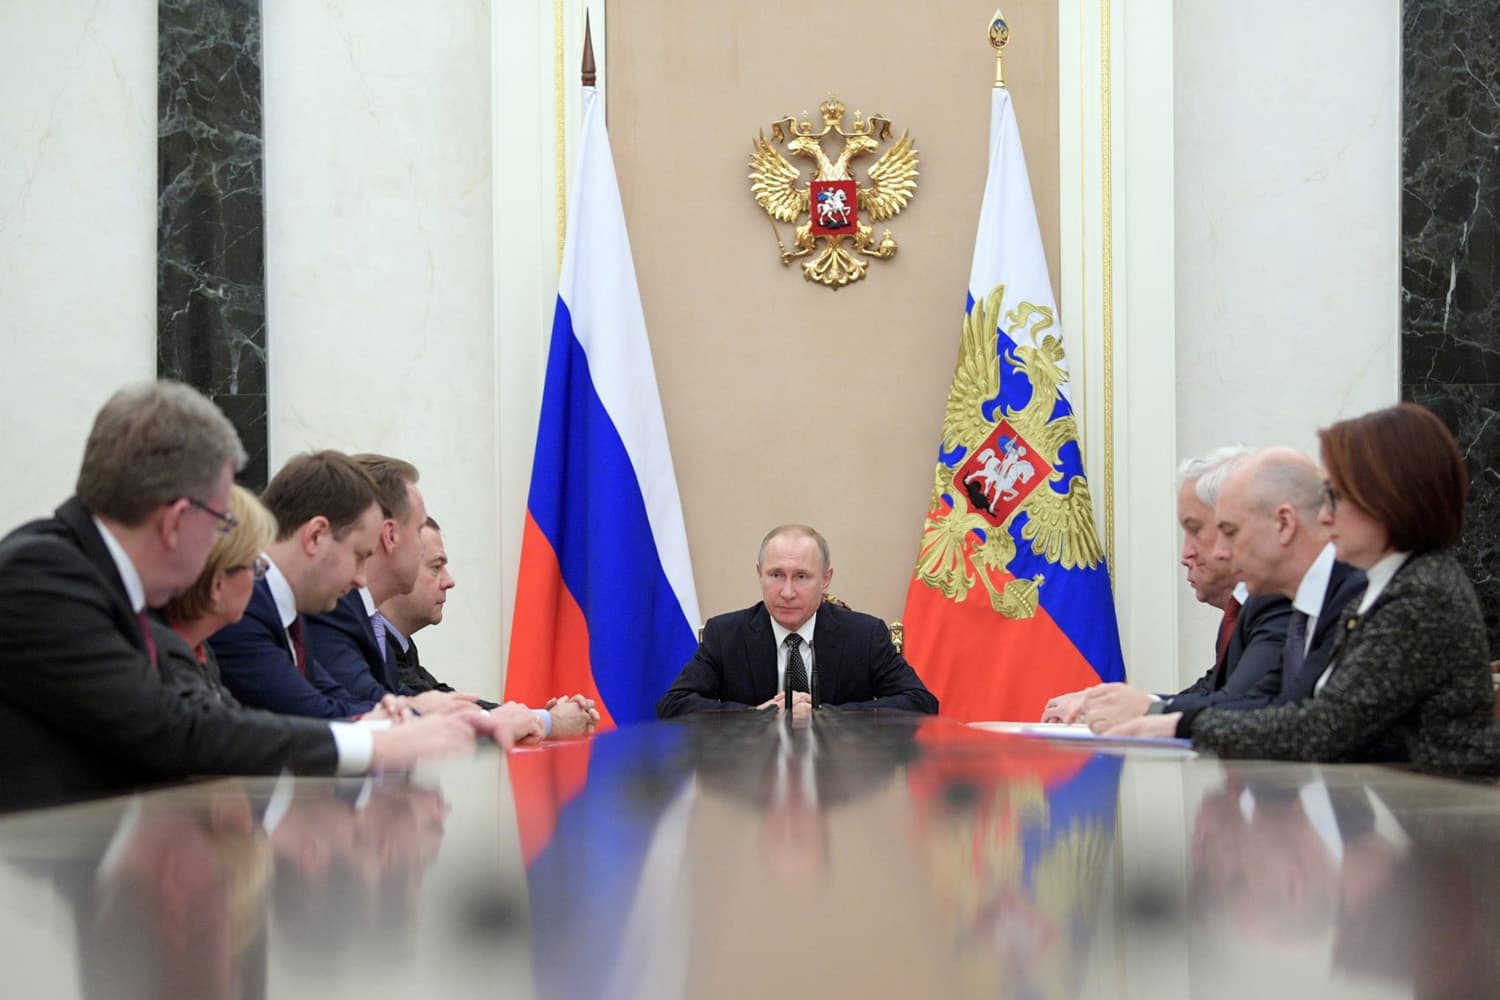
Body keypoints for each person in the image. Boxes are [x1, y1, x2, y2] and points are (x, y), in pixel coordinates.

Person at [0, 382, 523, 813]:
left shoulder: (93, 576)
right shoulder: (43, 574)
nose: (232, 542)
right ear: (179, 520)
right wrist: (377, 743)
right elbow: (173, 726)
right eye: (223, 521)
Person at [1113, 404, 1500, 780]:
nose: (1325, 515)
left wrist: (1178, 723)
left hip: (1438, 824)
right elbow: (1288, 707)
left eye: (1337, 496)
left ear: (1389, 500)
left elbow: (1324, 727)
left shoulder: (1421, 595)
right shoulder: (1383, 589)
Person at [1042, 447, 1294, 728]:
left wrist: (1146, 710)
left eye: (1196, 530)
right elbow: (1211, 693)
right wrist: (1115, 704)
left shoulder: (1280, 599)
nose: (1185, 555)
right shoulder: (1245, 610)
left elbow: (1239, 707)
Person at [656, 524, 937, 719]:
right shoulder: (726, 635)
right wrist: (756, 716)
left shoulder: (864, 635)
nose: (787, 592)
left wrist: (824, 714)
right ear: (759, 574)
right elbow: (674, 706)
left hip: (839, 785)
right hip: (752, 785)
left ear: (826, 579)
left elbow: (921, 703)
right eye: (776, 575)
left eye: (802, 577)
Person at [377, 516, 599, 736]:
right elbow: (436, 714)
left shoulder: (399, 643)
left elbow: (445, 700)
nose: (449, 581)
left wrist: (536, 718)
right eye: (436, 567)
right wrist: (546, 721)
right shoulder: (373, 645)